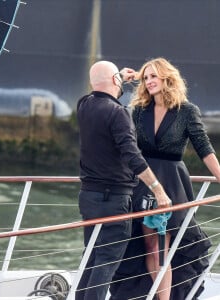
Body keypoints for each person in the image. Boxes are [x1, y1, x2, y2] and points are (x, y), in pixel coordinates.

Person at [110, 57, 220, 300]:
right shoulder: (138, 110)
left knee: (162, 249)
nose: (149, 81)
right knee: (149, 246)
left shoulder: (187, 111)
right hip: (143, 183)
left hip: (171, 185)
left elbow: (204, 148)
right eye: (145, 77)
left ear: (167, 78)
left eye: (153, 76)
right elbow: (112, 114)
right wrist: (119, 78)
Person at [75, 60, 172, 300]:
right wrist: (158, 189)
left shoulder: (84, 105)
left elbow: (100, 85)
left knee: (92, 257)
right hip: (114, 199)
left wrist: (117, 76)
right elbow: (132, 156)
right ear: (116, 81)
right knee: (106, 261)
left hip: (88, 197)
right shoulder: (118, 113)